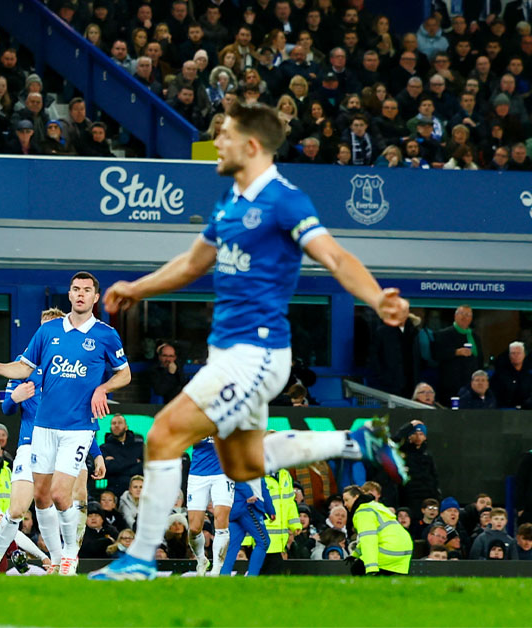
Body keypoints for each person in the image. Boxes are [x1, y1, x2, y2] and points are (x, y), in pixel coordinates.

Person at [91, 102, 409, 581]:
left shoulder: (285, 200)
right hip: (230, 352)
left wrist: (377, 297)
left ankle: (140, 559)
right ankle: (357, 439)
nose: (216, 142)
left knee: (161, 434)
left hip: (256, 353)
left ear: (252, 145)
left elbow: (336, 257)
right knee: (243, 463)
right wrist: (138, 287)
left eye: (225, 135)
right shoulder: (230, 201)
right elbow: (193, 263)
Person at [0, 272, 127, 576]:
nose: (80, 294)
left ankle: (69, 554)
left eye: (87, 290)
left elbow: (125, 373)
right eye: (75, 289)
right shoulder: (49, 332)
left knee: (60, 493)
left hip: (78, 428)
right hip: (42, 428)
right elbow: (23, 367)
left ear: (95, 298)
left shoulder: (106, 334)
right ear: (69, 294)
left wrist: (102, 388)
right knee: (41, 496)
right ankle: (53, 558)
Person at [187, 437, 233, 576]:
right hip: (198, 474)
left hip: (223, 473)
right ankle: (201, 560)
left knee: (221, 518)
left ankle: (217, 569)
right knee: (194, 528)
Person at [344, 485, 413, 575]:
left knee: (357, 569)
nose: (345, 504)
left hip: (389, 550)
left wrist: (371, 567)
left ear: (356, 497)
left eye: (346, 500)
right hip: (404, 549)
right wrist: (355, 554)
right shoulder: (375, 506)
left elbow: (368, 540)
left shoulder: (363, 512)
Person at [219, 479, 274, 576]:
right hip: (250, 506)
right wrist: (248, 495)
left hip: (237, 506)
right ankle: (252, 576)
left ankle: (224, 576)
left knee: (233, 544)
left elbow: (263, 487)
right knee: (264, 542)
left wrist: (271, 510)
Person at [434, 305, 483, 406]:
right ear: (455, 316)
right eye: (462, 314)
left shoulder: (474, 336)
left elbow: (479, 359)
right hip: (450, 384)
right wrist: (456, 352)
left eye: (468, 315)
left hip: (470, 385)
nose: (464, 317)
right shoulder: (444, 334)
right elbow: (436, 354)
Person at [395, 421, 440, 513]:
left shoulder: (427, 456)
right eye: (415, 434)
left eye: (421, 434)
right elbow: (394, 440)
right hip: (408, 497)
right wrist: (410, 425)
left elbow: (434, 477)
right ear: (409, 436)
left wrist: (436, 497)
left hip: (427, 498)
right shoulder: (402, 452)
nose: (418, 437)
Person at [100, 414, 144, 505]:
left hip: (139, 494)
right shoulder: (104, 448)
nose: (116, 425)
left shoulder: (139, 446)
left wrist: (117, 464)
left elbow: (143, 467)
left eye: (120, 423)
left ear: (126, 427)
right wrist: (134, 462)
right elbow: (108, 469)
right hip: (114, 494)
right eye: (113, 423)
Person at [492, 341, 532, 409]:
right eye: (513, 353)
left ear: (524, 355)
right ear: (509, 355)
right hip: (505, 412)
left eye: (519, 353)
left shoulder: (528, 375)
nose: (516, 356)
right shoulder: (500, 376)